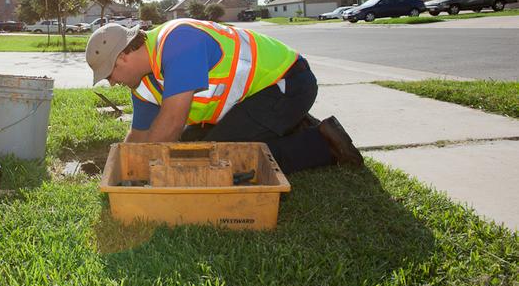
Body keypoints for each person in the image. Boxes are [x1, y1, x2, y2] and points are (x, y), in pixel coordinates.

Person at [85, 19, 363, 174]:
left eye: (110, 75)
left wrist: (147, 173)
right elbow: (140, 136)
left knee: (217, 160)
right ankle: (289, 125)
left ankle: (323, 143)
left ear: (123, 57)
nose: (112, 83)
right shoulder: (143, 85)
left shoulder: (178, 41)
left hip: (289, 84)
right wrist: (119, 169)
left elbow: (170, 124)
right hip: (256, 99)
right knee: (191, 144)